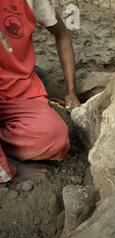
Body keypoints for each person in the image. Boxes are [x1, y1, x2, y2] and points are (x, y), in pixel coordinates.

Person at [0, 0, 80, 183]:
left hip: (19, 92)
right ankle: (5, 166)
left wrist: (71, 91)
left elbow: (62, 34)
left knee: (55, 137)